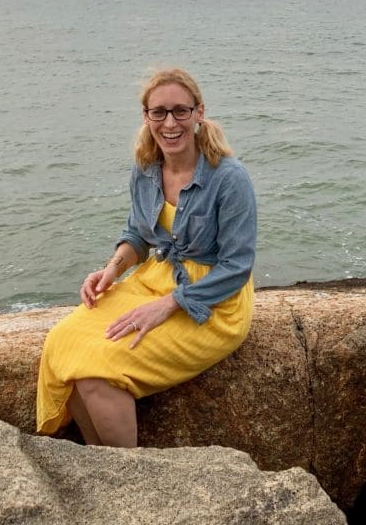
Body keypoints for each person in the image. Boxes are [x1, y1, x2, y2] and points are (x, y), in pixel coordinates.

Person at [35, 67, 256, 446]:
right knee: (63, 341)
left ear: (198, 113)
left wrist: (169, 305)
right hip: (156, 278)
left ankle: (128, 476)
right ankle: (103, 462)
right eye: (159, 112)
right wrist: (111, 269)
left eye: (180, 111)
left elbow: (237, 267)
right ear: (146, 117)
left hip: (212, 301)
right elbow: (138, 235)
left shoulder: (229, 177)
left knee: (98, 366)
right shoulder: (145, 169)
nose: (170, 123)